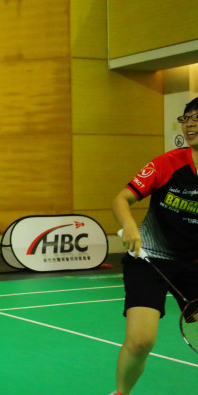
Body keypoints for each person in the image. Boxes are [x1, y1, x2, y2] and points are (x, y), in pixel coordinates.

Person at [111, 98, 198, 395]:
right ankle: (121, 393)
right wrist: (130, 225)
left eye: (197, 117)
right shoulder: (167, 163)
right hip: (150, 258)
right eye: (186, 118)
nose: (190, 124)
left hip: (193, 263)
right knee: (140, 341)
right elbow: (121, 199)